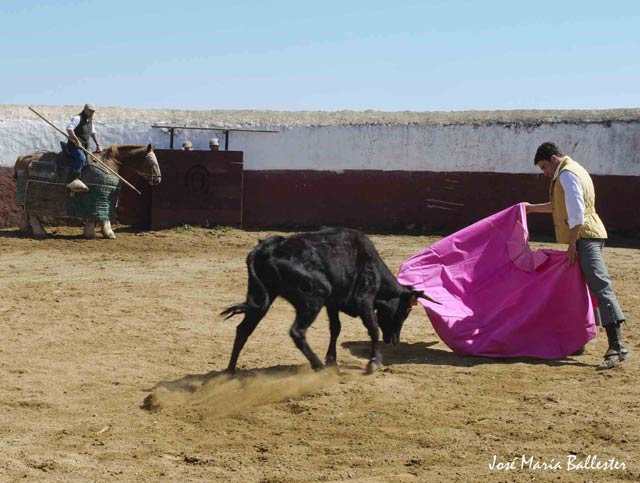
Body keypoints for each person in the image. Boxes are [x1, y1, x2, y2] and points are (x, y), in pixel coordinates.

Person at [524, 142, 629, 369]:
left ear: (553, 159)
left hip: (585, 236)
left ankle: (617, 346)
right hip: (587, 235)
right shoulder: (572, 169)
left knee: (600, 286)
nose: (545, 173)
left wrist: (572, 242)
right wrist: (531, 208)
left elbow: (577, 211)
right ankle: (582, 338)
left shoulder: (567, 174)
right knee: (583, 287)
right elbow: (560, 206)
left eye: (544, 167)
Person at [65, 103, 101, 192]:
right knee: (81, 158)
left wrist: (98, 144)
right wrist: (76, 141)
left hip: (85, 146)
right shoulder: (78, 118)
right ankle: (74, 180)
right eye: (90, 111)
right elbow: (69, 129)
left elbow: (93, 133)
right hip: (73, 145)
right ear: (85, 110)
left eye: (93, 112)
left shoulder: (90, 121)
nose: (92, 113)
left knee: (90, 162)